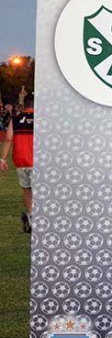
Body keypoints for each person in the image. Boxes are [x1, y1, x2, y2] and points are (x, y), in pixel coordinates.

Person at [1, 94, 35, 234]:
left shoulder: (15, 119)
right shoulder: (42, 119)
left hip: (21, 161)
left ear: (24, 104)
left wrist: (2, 159)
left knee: (26, 189)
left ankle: (31, 216)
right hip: (37, 160)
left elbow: (8, 139)